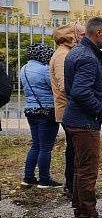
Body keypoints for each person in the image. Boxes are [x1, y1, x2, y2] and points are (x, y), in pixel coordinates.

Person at [64, 17, 102, 218]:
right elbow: (80, 91)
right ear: (97, 33)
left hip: (75, 120)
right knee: (87, 172)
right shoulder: (87, 58)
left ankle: (81, 215)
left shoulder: (77, 52)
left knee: (79, 170)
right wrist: (100, 110)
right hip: (84, 123)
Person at [50, 22, 85, 199]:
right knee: (74, 151)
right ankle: (72, 187)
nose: (83, 38)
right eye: (81, 34)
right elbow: (66, 85)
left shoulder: (65, 53)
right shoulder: (63, 55)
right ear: (72, 35)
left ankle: (72, 186)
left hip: (68, 110)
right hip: (69, 111)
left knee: (73, 149)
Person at [20, 43, 61, 189]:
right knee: (45, 147)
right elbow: (56, 88)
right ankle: (45, 180)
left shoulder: (23, 69)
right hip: (46, 112)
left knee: (36, 145)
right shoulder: (44, 70)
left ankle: (28, 177)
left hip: (30, 110)